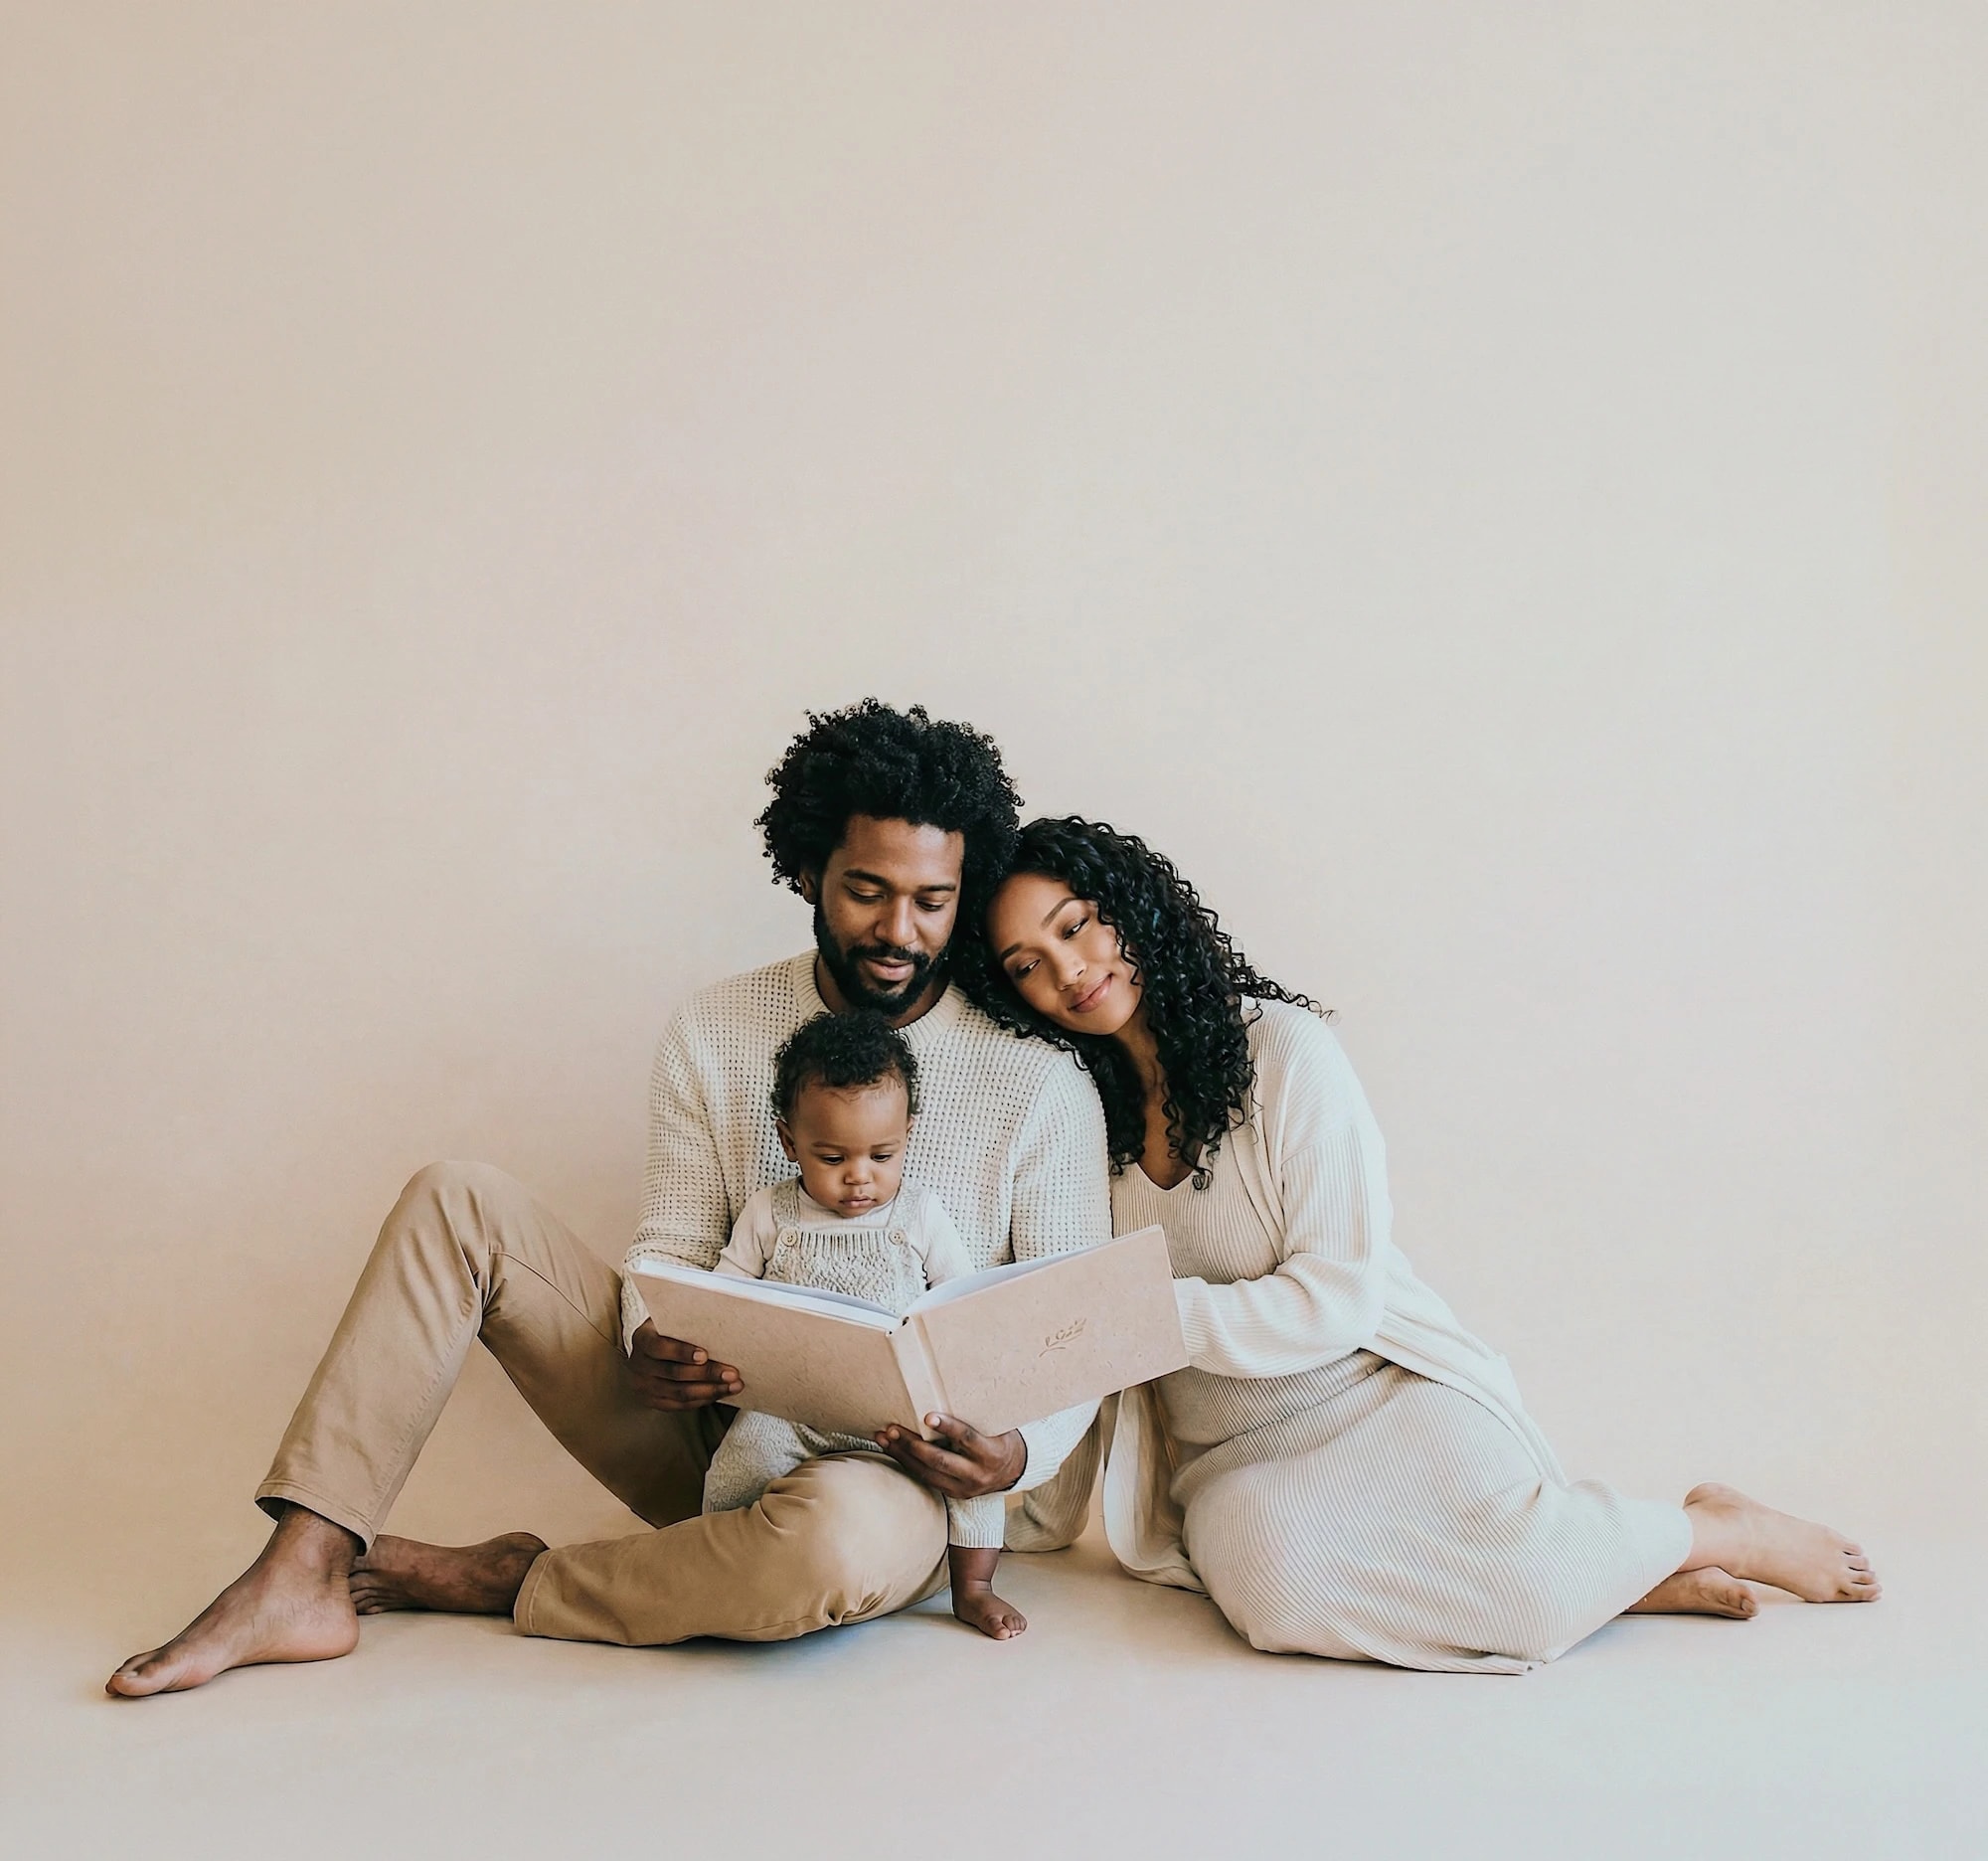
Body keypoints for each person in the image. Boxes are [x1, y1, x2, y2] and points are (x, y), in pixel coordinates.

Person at [106, 702, 1106, 1698]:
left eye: (932, 900)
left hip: (895, 1485)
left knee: (829, 1550)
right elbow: (669, 1246)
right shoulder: (715, 1027)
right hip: (719, 1437)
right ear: (807, 872)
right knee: (455, 1198)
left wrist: (1013, 1451)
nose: (898, 929)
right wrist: (650, 1332)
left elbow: (1073, 1333)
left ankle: (509, 1577)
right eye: (865, 891)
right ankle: (300, 1571)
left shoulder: (1035, 1077)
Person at [963, 816, 1880, 1674]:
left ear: (1132, 907)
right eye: (1028, 965)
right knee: (1273, 1592)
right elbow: (1080, 1335)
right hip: (1236, 1461)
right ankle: (1609, 1575)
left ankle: (1707, 1531)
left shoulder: (1285, 1053)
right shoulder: (1078, 1124)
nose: (1069, 971)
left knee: (1523, 1589)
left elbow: (1337, 1297)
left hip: (1380, 1393)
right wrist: (1013, 1502)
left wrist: (1150, 1316)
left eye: (1076, 926)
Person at [698, 1008, 1029, 1639]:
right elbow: (726, 1291)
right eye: (832, 1156)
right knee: (737, 1462)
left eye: (883, 1154)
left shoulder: (919, 1214)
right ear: (789, 1142)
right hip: (792, 1408)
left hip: (900, 1418)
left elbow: (963, 1298)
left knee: (974, 1468)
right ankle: (717, 1554)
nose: (859, 1176)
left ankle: (975, 1585)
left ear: (908, 1133)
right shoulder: (772, 1213)